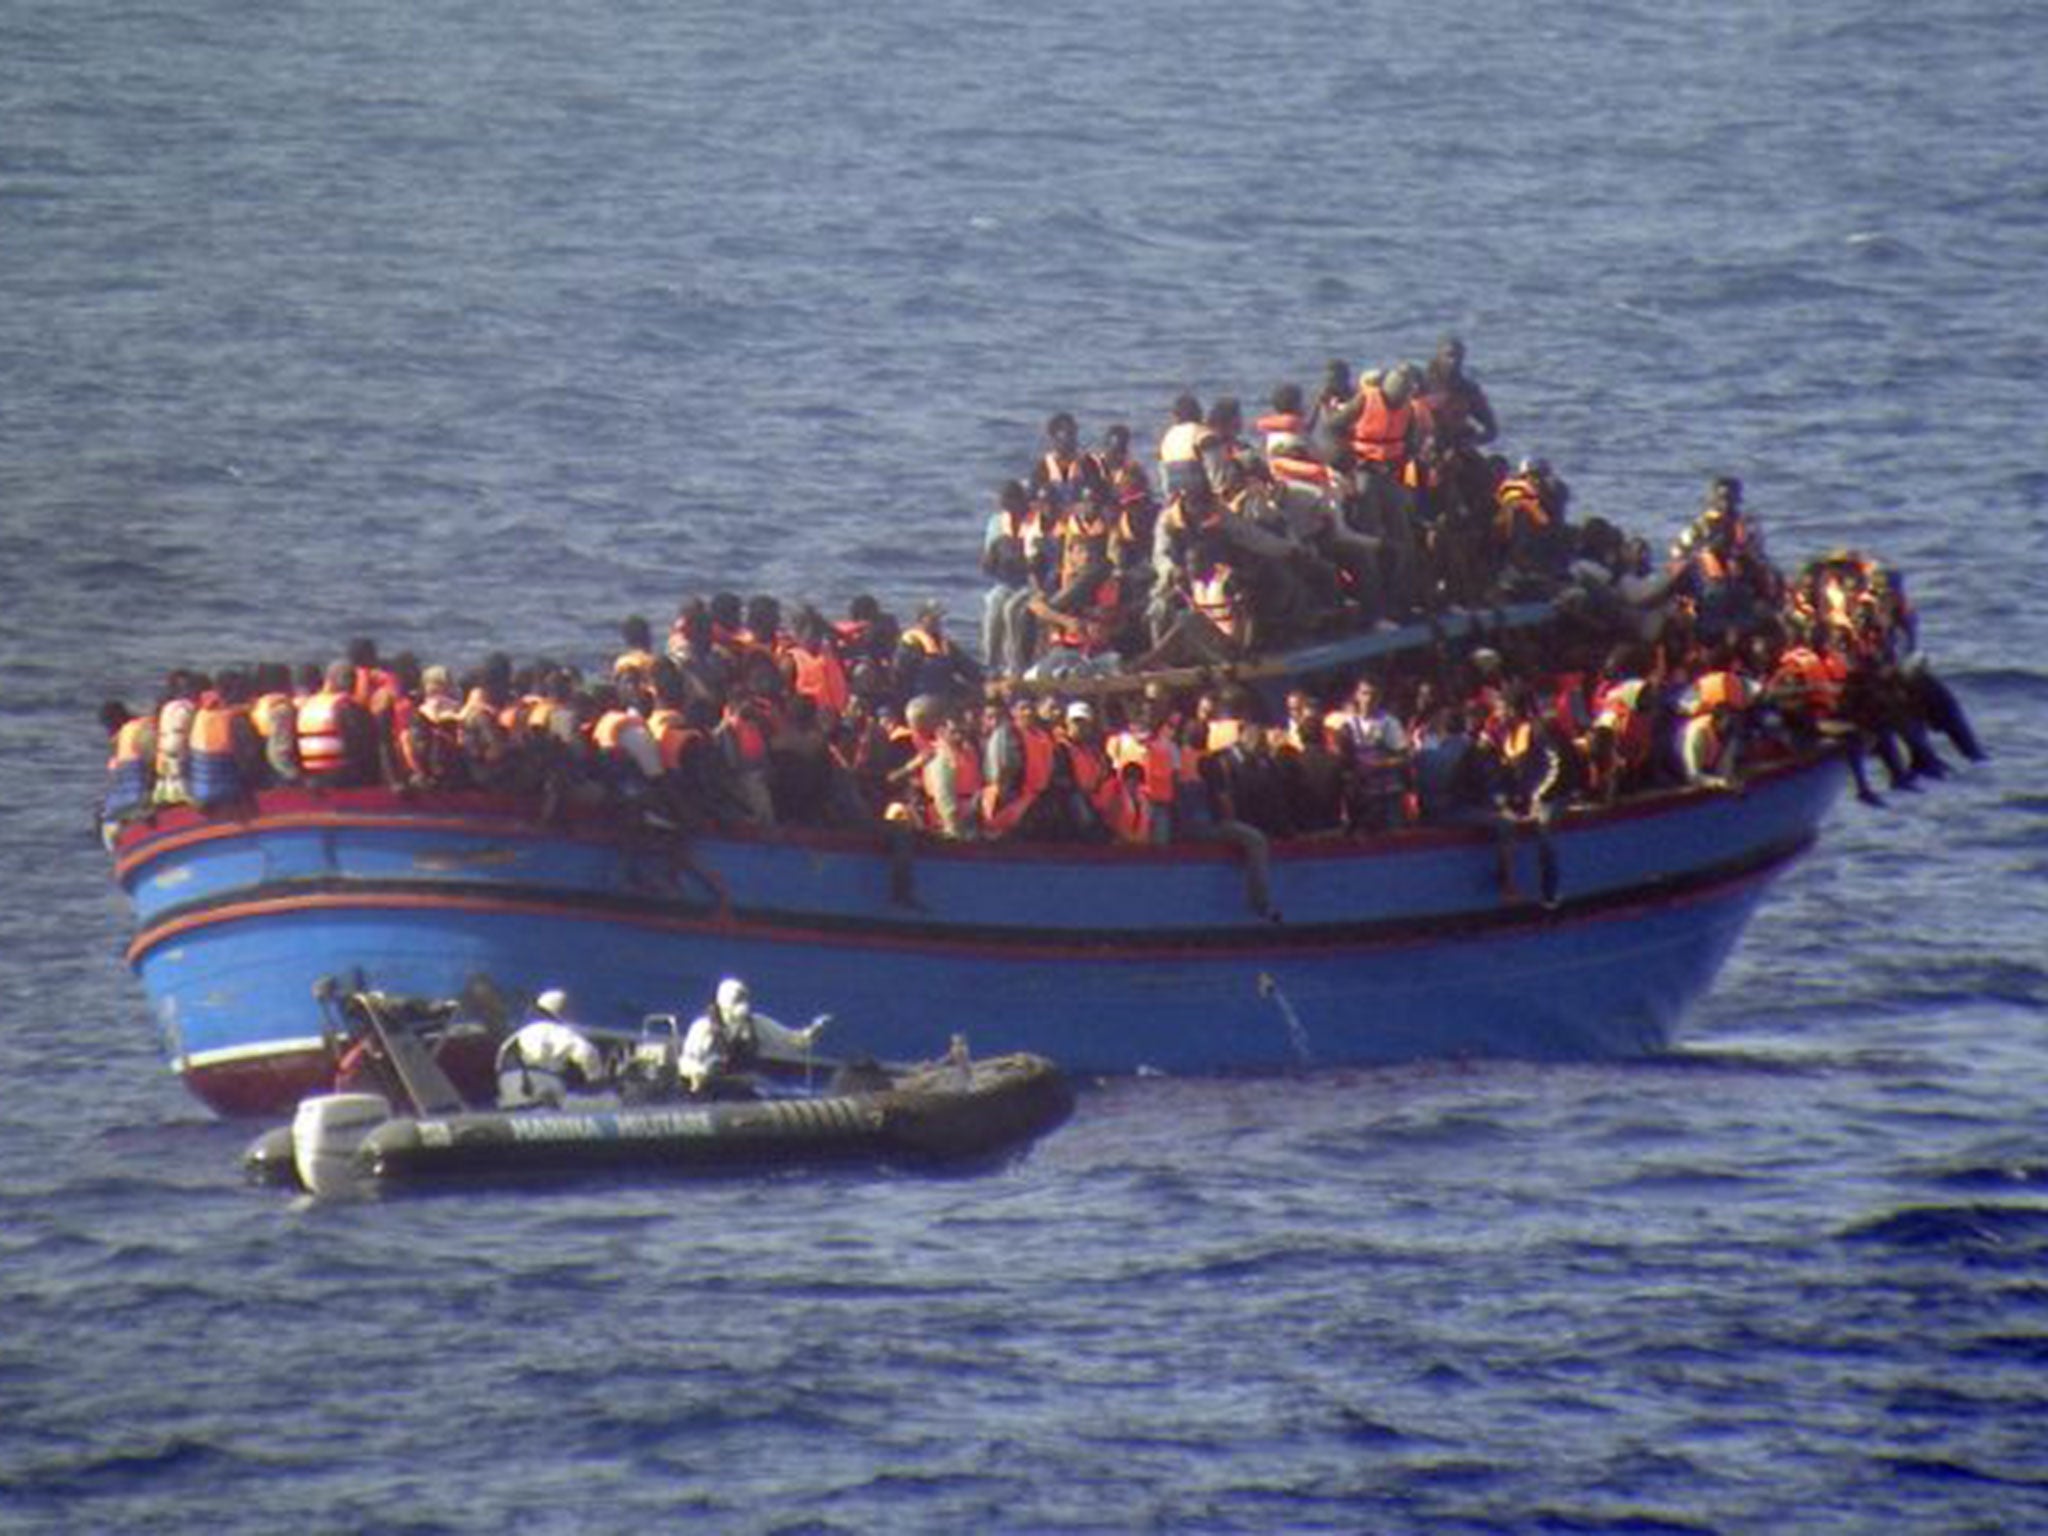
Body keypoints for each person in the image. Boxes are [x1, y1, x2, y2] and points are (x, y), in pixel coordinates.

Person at [679, 978, 826, 1097]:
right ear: (722, 1003)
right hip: (711, 1091)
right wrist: (697, 1072)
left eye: (744, 998)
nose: (743, 1005)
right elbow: (686, 1061)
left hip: (743, 1087)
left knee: (762, 1087)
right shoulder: (703, 1027)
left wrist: (811, 1034)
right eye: (737, 1000)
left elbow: (792, 1042)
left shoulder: (757, 1024)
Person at [496, 988, 609, 1107]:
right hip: (542, 1087)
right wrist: (595, 1081)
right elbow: (587, 1054)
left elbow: (500, 1063)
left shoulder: (514, 1037)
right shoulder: (560, 1032)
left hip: (507, 1087)